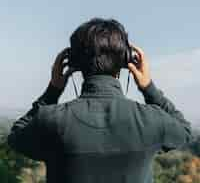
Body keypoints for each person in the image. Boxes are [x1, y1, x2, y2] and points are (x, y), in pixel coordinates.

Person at [7, 18, 194, 183]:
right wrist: (148, 87)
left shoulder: (50, 120)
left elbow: (16, 137)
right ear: (126, 61)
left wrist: (53, 90)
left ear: (73, 63)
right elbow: (184, 131)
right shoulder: (152, 120)